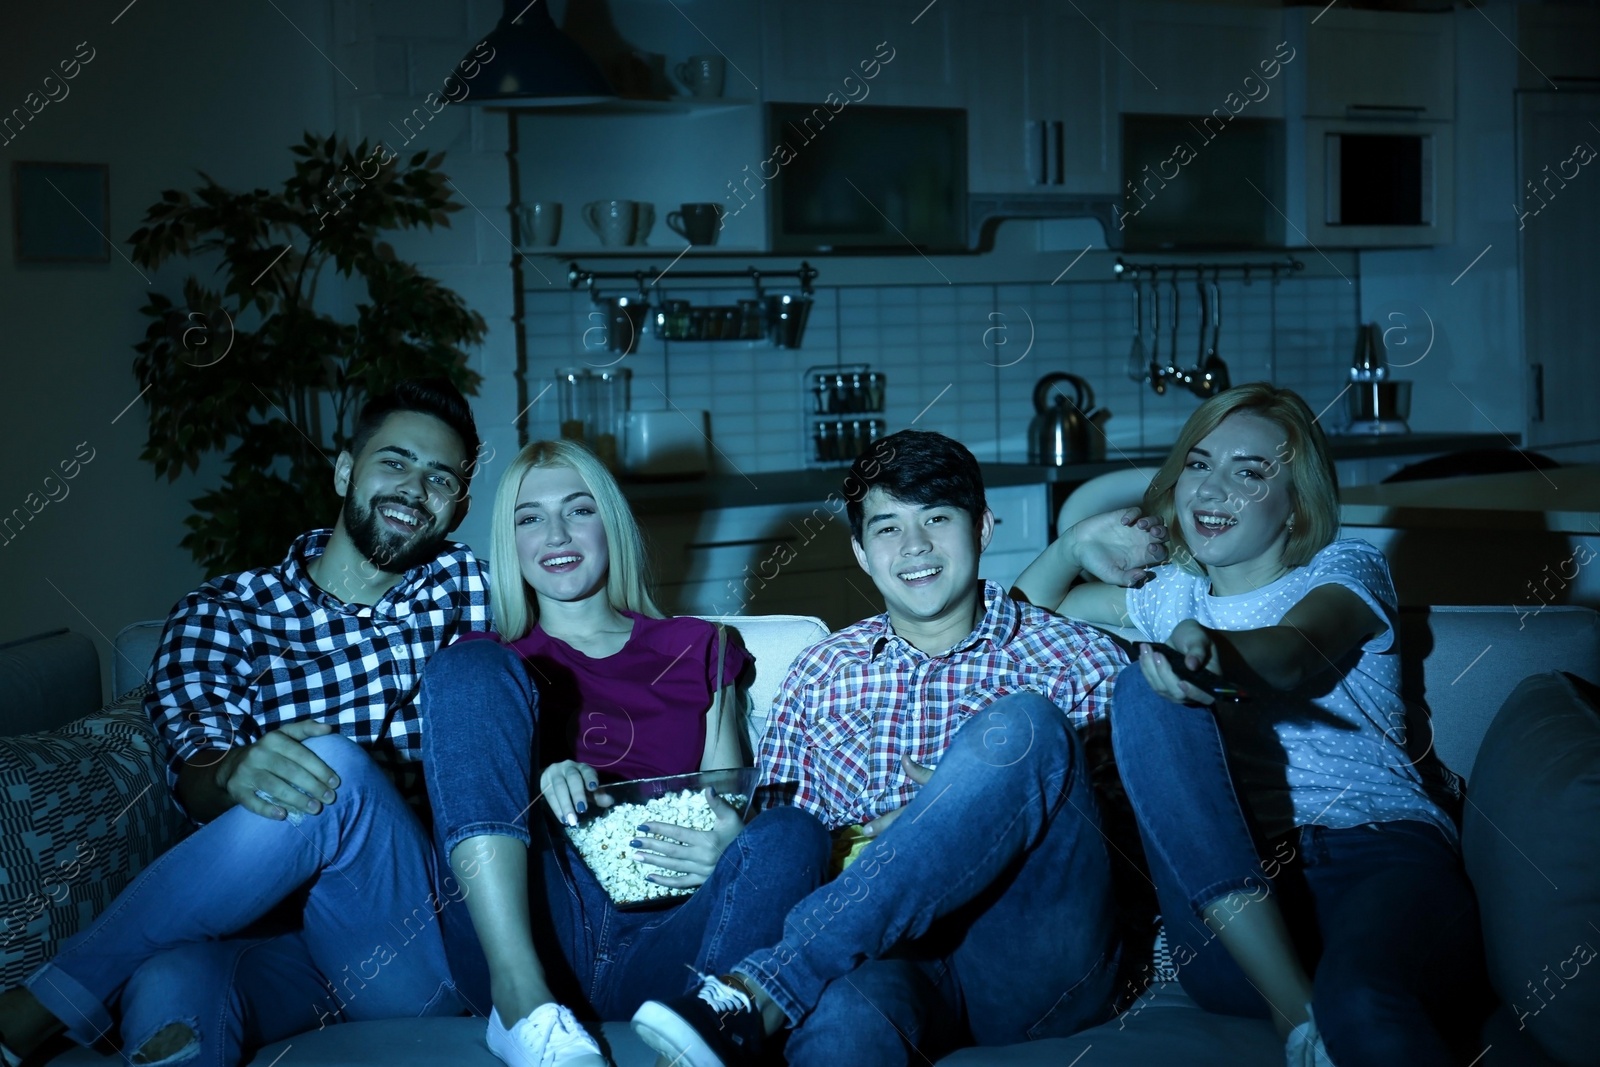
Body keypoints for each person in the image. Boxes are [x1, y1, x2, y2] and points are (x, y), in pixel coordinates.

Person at [628, 429, 1169, 1067]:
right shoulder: (822, 673)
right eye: (887, 528)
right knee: (848, 1019)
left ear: (984, 529)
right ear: (860, 553)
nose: (914, 547)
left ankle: (767, 988)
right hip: (883, 958)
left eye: (937, 519)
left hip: (1033, 955)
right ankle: (789, 987)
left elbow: (1132, 856)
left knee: (1021, 726)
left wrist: (963, 815)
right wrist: (748, 849)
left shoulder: (1077, 657)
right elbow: (784, 836)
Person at [0, 378, 492, 1067]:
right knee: (171, 979)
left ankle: (38, 1005)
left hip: (408, 941)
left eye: (440, 477)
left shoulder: (468, 589)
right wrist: (232, 769)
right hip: (270, 946)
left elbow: (583, 616)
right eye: (395, 461)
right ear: (346, 469)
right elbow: (193, 776)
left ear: (458, 508)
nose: (415, 487)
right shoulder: (226, 613)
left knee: (339, 767)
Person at [1012, 382, 1486, 1066]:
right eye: (1199, 464)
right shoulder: (1164, 596)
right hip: (1230, 904)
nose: (1212, 489)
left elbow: (1294, 654)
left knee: (1362, 999)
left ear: (1297, 502)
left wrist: (1207, 649)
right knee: (1140, 693)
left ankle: (1320, 1018)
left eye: (1250, 471)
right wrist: (1072, 544)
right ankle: (1293, 1009)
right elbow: (1012, 631)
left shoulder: (1345, 571)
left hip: (1378, 858)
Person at [417, 439, 831, 1067]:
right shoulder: (488, 662)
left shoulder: (701, 647)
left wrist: (731, 844)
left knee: (794, 831)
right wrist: (542, 784)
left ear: (610, 523)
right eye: (529, 518)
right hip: (539, 926)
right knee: (467, 668)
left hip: (671, 938)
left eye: (579, 510)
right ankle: (522, 1004)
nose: (556, 532)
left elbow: (727, 796)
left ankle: (707, 1025)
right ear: (511, 543)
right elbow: (474, 795)